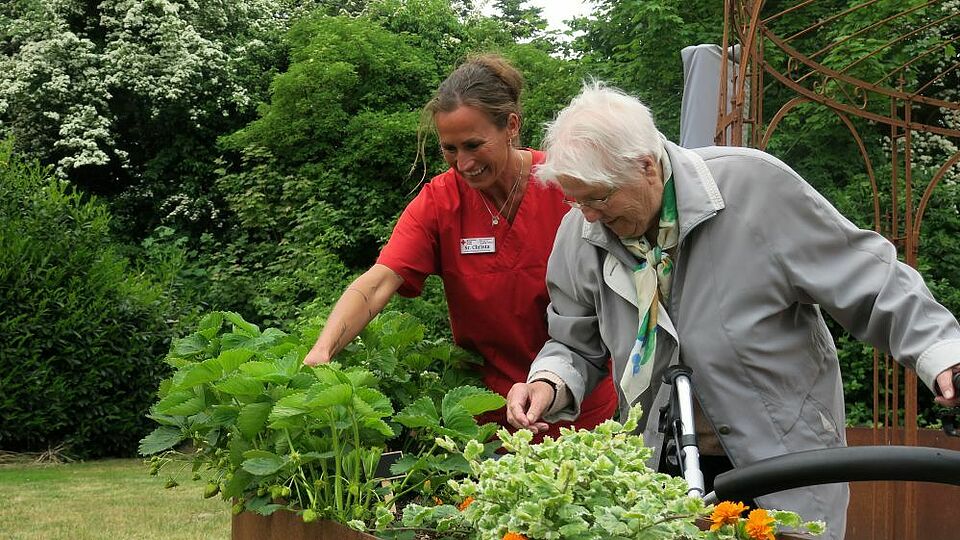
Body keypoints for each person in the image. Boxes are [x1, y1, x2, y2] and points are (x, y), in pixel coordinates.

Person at [505, 82, 960, 539]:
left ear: (646, 165)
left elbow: (870, 280)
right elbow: (572, 341)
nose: (587, 215)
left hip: (781, 458)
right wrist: (550, 382)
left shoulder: (754, 190)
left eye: (598, 198)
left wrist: (942, 350)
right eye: (575, 199)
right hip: (662, 469)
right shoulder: (581, 235)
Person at [303, 55, 617, 438]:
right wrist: (323, 349)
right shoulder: (440, 202)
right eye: (449, 148)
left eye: (473, 145)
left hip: (579, 406)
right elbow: (378, 283)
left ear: (511, 126)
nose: (463, 163)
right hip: (489, 416)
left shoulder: (566, 186)